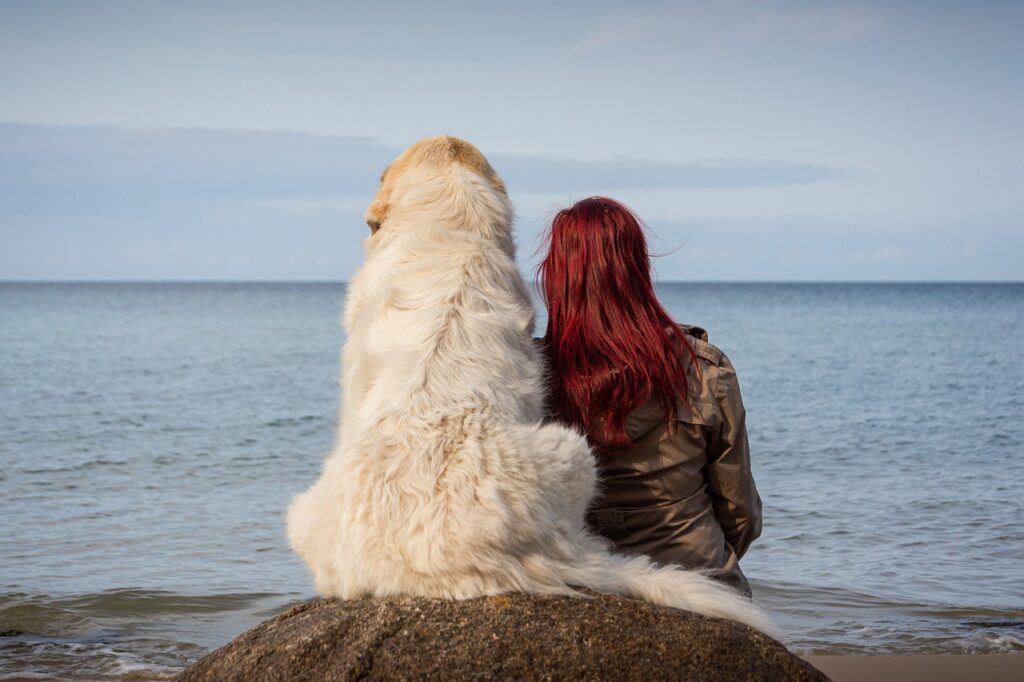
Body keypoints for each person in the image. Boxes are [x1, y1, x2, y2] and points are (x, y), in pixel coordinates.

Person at [537, 196, 762, 595]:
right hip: (705, 586)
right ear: (637, 271)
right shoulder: (704, 371)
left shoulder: (528, 379)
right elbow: (741, 515)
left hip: (587, 587)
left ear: (557, 276)